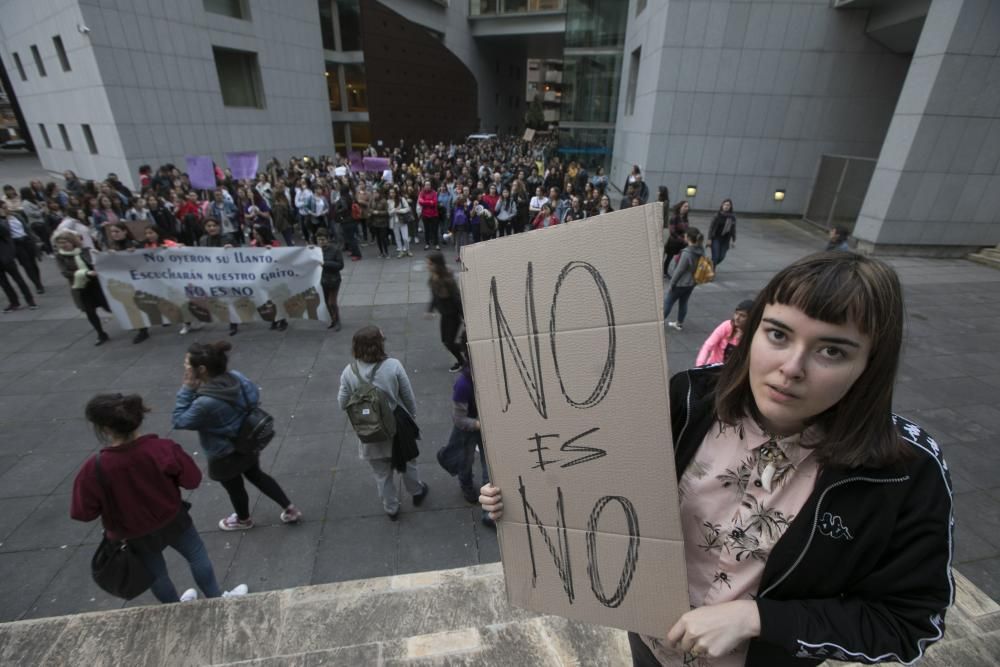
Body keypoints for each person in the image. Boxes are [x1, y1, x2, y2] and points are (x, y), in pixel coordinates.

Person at [481, 252, 953, 667]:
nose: (791, 368)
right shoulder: (689, 399)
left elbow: (908, 622)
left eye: (831, 350)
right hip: (650, 639)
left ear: (870, 364)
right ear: (751, 332)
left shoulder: (904, 473)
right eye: (778, 334)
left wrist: (760, 618)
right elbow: (610, 481)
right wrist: (525, 496)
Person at [70, 393, 248, 603]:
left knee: (157, 574)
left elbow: (83, 512)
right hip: (173, 519)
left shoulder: (94, 468)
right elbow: (192, 480)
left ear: (104, 429)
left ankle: (173, 608)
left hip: (134, 533)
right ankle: (216, 598)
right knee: (197, 555)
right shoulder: (162, 449)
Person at [172, 341, 302, 531]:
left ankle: (243, 520)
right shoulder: (235, 377)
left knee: (235, 488)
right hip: (247, 441)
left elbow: (179, 420)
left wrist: (187, 389)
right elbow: (254, 396)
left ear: (201, 369)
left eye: (187, 364)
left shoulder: (205, 402)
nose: (185, 367)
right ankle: (290, 509)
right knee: (256, 475)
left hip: (223, 453)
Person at [337, 326, 428, 520]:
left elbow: (342, 403)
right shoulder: (393, 365)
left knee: (382, 474)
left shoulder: (348, 372)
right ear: (380, 344)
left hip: (370, 432)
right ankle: (417, 491)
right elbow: (408, 396)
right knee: (409, 463)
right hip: (397, 428)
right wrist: (411, 415)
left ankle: (391, 508)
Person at [53, 230, 107, 344]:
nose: (63, 245)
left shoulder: (85, 251)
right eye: (60, 243)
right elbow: (65, 273)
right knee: (90, 312)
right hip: (80, 287)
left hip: (95, 284)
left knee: (109, 306)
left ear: (72, 241)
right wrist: (85, 273)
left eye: (65, 242)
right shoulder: (60, 257)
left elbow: (98, 262)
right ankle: (100, 333)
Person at [425, 251, 466, 372]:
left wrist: (465, 318)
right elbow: (435, 296)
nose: (427, 266)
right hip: (445, 314)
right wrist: (429, 310)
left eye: (429, 263)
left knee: (449, 342)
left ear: (436, 264)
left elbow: (457, 299)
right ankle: (464, 358)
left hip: (453, 315)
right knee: (445, 341)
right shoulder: (434, 277)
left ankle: (465, 358)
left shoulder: (447, 280)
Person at [664, 228, 706, 331]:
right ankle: (679, 323)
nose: (684, 237)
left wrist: (671, 284)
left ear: (689, 238)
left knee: (668, 302)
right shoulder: (701, 251)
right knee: (683, 303)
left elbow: (679, 271)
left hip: (680, 283)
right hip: (692, 283)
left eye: (685, 236)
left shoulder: (687, 253)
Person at [0, 200, 43, 296]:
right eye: (3, 208)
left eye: (6, 207)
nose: (6, 209)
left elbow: (26, 227)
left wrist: (34, 238)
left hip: (26, 240)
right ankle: (37, 285)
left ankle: (38, 280)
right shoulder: (2, 221)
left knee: (33, 263)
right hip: (16, 243)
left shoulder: (16, 216)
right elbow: (6, 231)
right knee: (26, 265)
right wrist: (3, 217)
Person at [696, 300, 753, 366]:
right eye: (736, 313)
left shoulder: (753, 333)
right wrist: (699, 365)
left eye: (742, 316)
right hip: (715, 368)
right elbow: (708, 346)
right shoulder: (726, 326)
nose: (737, 318)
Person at [316, 229, 343, 330]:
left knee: (332, 302)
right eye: (319, 240)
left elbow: (340, 265)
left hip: (334, 280)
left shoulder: (335, 250)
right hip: (322, 281)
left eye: (323, 239)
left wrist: (325, 263)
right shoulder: (316, 250)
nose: (321, 242)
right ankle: (333, 320)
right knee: (327, 303)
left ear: (328, 239)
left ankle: (338, 321)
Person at [707, 199, 737, 268]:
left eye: (728, 205)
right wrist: (709, 239)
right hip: (716, 238)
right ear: (722, 205)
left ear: (730, 207)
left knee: (722, 257)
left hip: (726, 240)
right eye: (725, 204)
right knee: (716, 256)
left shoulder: (732, 217)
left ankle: (709, 266)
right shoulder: (717, 215)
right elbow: (711, 228)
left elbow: (733, 229)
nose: (726, 206)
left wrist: (733, 240)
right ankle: (711, 271)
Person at [387, 186, 413, 257]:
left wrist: (399, 210)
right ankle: (401, 251)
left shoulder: (401, 199)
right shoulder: (388, 201)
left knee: (405, 238)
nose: (391, 194)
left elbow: (407, 208)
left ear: (396, 193)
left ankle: (408, 250)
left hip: (402, 221)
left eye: (393, 192)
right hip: (394, 222)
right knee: (397, 237)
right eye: (390, 193)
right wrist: (394, 210)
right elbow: (388, 213)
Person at [665, 201, 690, 274]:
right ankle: (665, 272)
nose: (686, 208)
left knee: (681, 258)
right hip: (674, 242)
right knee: (669, 258)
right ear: (680, 207)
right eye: (685, 206)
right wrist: (682, 239)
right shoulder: (674, 217)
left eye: (687, 207)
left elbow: (687, 229)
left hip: (683, 242)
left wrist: (687, 237)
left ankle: (677, 272)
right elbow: (672, 232)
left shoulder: (685, 218)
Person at [418, 181, 441, 250]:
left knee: (435, 230)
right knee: (426, 230)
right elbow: (420, 202)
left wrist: (426, 202)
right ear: (424, 186)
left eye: (429, 185)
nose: (427, 186)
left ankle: (436, 244)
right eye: (426, 185)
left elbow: (435, 202)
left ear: (431, 186)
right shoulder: (421, 193)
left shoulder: (434, 192)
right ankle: (427, 243)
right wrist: (429, 202)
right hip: (425, 214)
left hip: (434, 214)